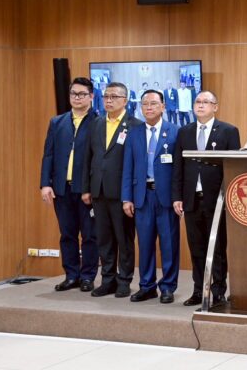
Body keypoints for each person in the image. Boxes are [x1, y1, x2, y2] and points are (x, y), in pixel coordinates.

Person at [172, 90, 241, 306]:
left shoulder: (228, 131)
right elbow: (178, 167)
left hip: (217, 200)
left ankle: (218, 291)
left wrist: (229, 198)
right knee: (196, 247)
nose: (200, 105)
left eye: (206, 102)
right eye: (198, 102)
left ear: (215, 107)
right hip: (191, 199)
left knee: (218, 248)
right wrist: (177, 196)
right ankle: (199, 290)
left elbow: (233, 168)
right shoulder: (184, 132)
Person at [82, 82, 142, 298]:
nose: (108, 100)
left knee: (124, 239)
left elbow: (137, 163)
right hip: (98, 191)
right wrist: (86, 188)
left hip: (122, 193)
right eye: (106, 96)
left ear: (125, 100)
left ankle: (124, 280)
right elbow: (88, 158)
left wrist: (130, 195)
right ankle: (107, 280)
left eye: (114, 97)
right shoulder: (96, 123)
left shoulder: (135, 126)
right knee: (104, 239)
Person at [40, 77, 99, 292]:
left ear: (91, 96)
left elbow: (99, 160)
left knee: (90, 235)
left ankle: (88, 276)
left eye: (82, 94)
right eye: (74, 93)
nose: (77, 97)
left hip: (86, 190)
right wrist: (45, 184)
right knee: (67, 234)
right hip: (61, 188)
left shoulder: (99, 122)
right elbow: (49, 154)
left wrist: (91, 188)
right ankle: (71, 275)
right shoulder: (57, 122)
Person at [122, 90, 180, 304]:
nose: (149, 107)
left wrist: (178, 196)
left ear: (163, 106)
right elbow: (127, 167)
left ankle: (168, 287)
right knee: (145, 244)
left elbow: (179, 169)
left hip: (166, 198)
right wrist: (126, 198)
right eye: (145, 103)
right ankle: (146, 286)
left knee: (169, 244)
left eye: (154, 103)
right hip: (142, 196)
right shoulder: (134, 133)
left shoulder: (175, 131)